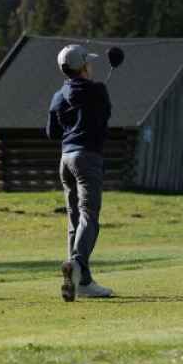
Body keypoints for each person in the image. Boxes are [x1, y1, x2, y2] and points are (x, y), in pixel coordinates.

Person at [46, 44, 114, 301]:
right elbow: (105, 119)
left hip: (66, 160)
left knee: (75, 220)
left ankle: (81, 281)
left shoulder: (58, 96)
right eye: (89, 63)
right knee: (89, 217)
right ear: (84, 66)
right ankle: (77, 264)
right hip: (88, 159)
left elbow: (52, 133)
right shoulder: (98, 90)